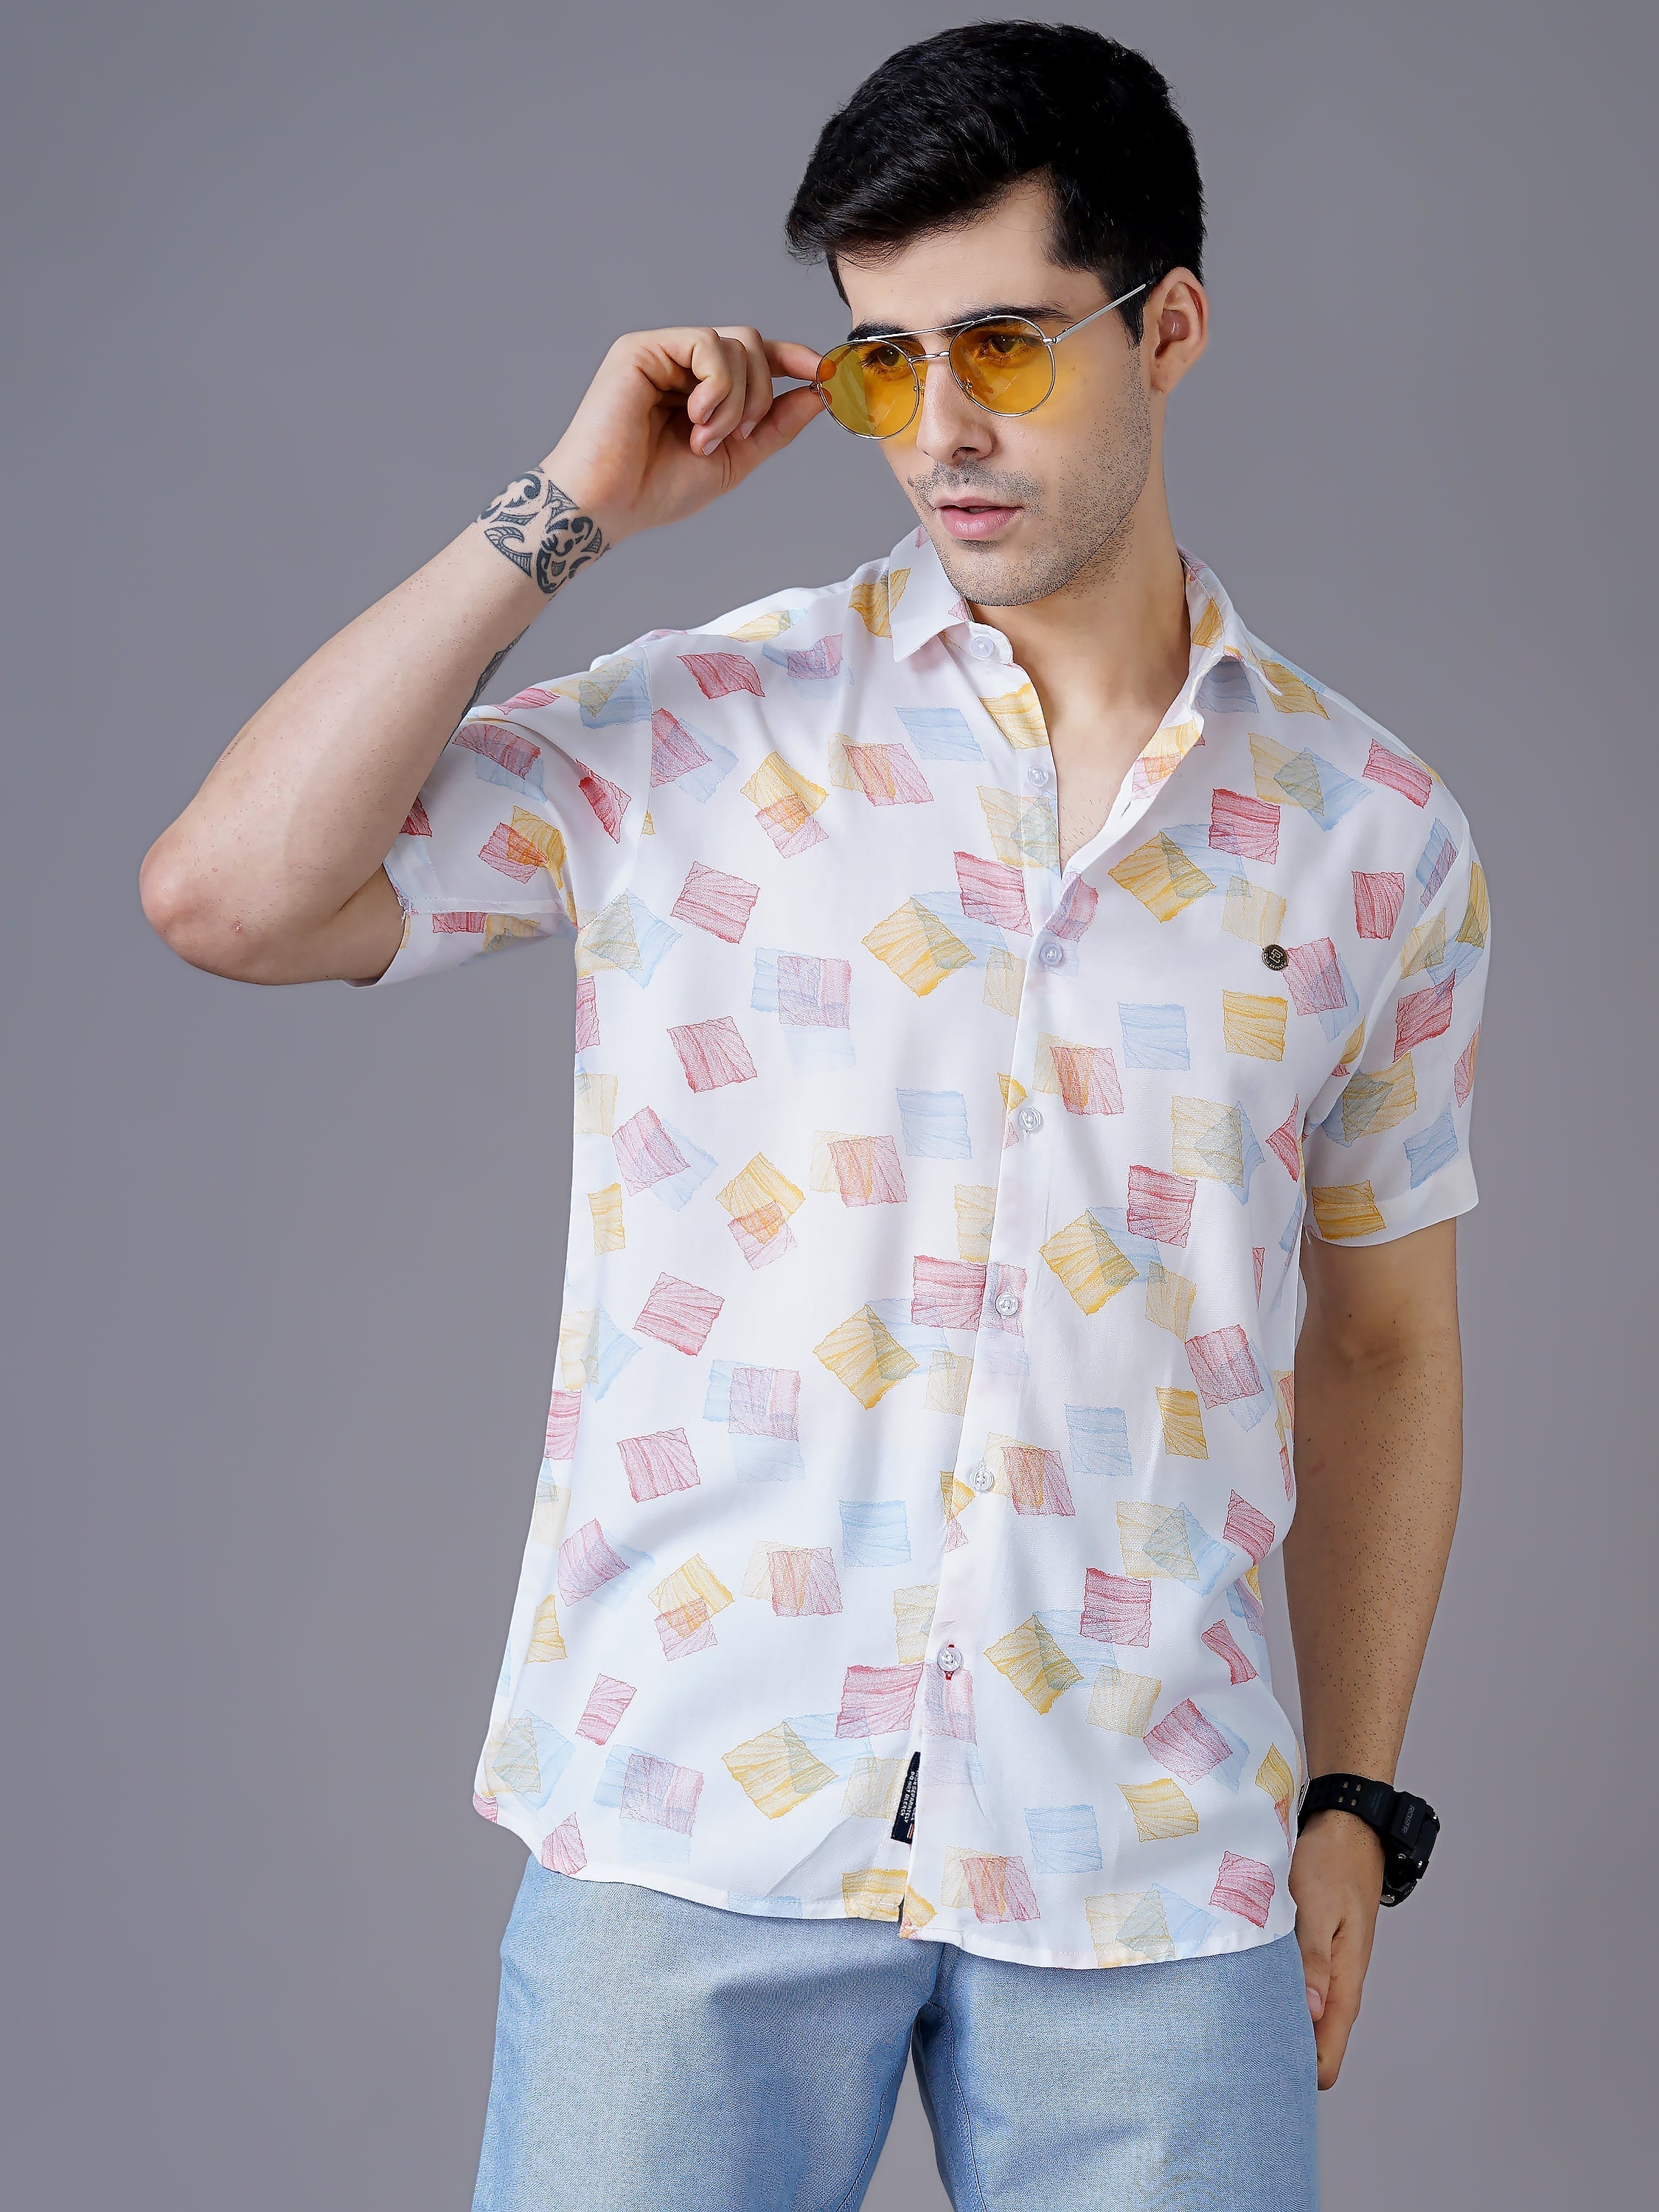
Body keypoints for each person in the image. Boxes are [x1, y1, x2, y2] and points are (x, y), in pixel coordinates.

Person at [139, 21, 1490, 2211]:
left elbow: (1389, 1346)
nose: (940, 430)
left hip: (1152, 1871)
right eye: (881, 363)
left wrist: (1351, 1799)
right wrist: (565, 515)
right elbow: (230, 895)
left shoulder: (1371, 838)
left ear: (1168, 327)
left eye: (1005, 346)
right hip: (697, 1831)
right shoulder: (710, 730)